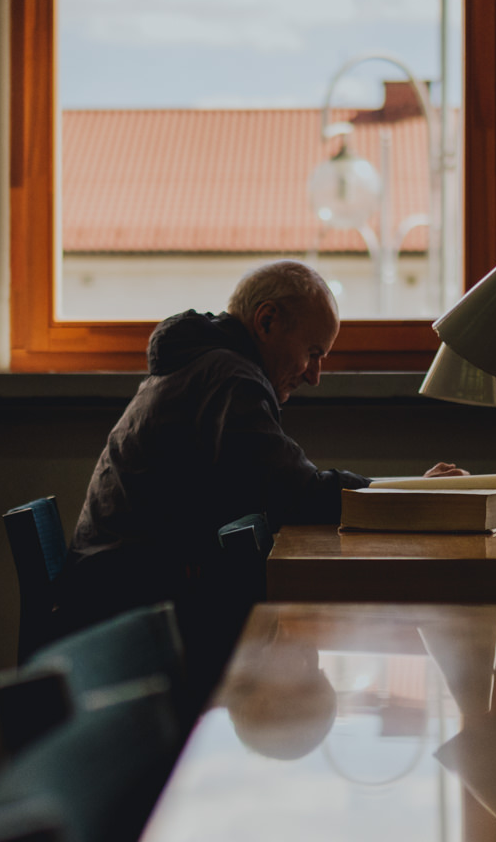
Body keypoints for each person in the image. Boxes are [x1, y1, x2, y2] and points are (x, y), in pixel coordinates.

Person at [58, 260, 462, 654]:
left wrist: (402, 491)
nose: (314, 375)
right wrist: (411, 496)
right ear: (266, 322)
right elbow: (297, 495)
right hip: (132, 607)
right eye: (313, 352)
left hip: (120, 587)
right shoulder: (229, 378)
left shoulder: (207, 367)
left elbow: (284, 488)